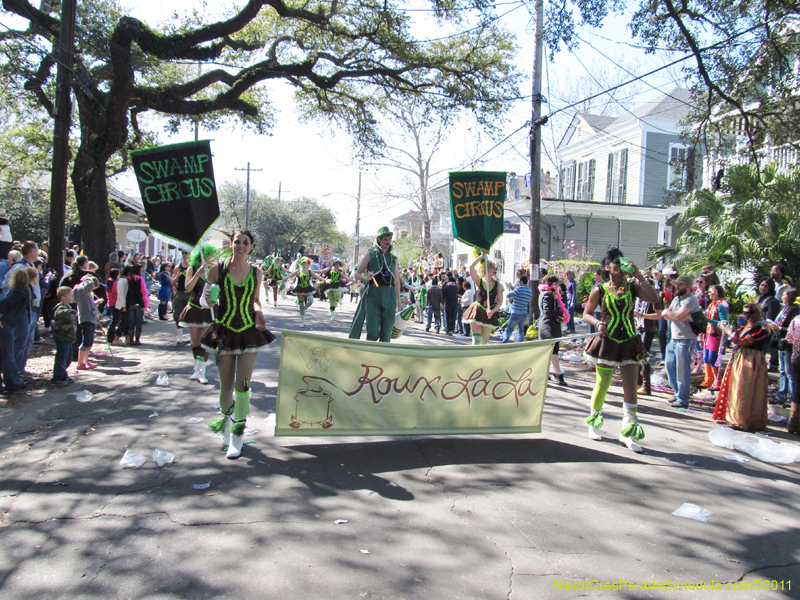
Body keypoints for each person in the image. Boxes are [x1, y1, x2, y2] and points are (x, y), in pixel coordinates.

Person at [202, 229, 275, 459]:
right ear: (231, 244)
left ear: (251, 246)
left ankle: (237, 434)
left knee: (242, 385)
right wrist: (208, 300)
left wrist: (259, 312)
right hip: (223, 332)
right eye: (237, 242)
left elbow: (256, 301)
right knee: (226, 387)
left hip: (248, 332)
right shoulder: (217, 269)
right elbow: (206, 299)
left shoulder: (256, 272)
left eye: (245, 242)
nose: (241, 246)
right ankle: (225, 422)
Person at [582, 248, 659, 452]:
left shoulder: (633, 287)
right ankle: (594, 422)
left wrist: (639, 275)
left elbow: (654, 299)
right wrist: (598, 323)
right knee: (602, 383)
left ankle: (628, 432)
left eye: (623, 262)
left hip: (629, 342)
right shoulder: (600, 289)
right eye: (616, 262)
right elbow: (586, 314)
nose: (621, 265)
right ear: (608, 268)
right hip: (607, 342)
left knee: (631, 386)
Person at [713, 303, 769, 431]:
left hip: (751, 360)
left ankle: (741, 420)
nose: (745, 316)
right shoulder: (748, 326)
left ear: (755, 314)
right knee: (736, 387)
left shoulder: (761, 328)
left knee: (744, 389)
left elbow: (743, 342)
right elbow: (737, 334)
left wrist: (729, 333)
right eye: (744, 313)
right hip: (741, 358)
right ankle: (734, 417)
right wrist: (726, 328)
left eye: (748, 314)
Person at [349, 227, 402, 343]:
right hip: (373, 294)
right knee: (373, 332)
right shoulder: (370, 256)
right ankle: (369, 352)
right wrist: (366, 278)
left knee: (386, 334)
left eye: (389, 239)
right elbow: (356, 274)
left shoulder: (394, 259)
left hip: (389, 295)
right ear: (379, 240)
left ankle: (383, 354)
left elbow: (396, 281)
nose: (388, 242)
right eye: (385, 239)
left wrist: (399, 301)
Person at [179, 244, 218, 383]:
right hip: (194, 309)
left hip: (208, 309)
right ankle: (197, 369)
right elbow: (188, 288)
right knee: (195, 343)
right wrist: (197, 274)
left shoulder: (213, 270)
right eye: (211, 255)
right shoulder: (192, 268)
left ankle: (202, 372)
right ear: (204, 256)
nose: (213, 257)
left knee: (204, 342)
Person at [661, 274, 701, 408]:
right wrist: (671, 314)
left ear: (687, 286)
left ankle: (683, 398)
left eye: (679, 284)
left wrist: (672, 315)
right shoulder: (677, 299)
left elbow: (677, 314)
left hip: (686, 340)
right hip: (674, 338)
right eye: (676, 284)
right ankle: (677, 392)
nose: (676, 287)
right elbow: (667, 314)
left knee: (682, 370)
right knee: (669, 365)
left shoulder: (691, 299)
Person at [462, 251, 503, 345]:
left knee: (484, 341)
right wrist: (481, 256)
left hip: (489, 312)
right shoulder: (479, 281)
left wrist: (493, 311)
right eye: (491, 268)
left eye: (494, 268)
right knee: (477, 340)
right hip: (477, 310)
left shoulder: (498, 285)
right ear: (485, 270)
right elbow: (471, 267)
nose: (494, 270)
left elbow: (500, 301)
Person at [0, 268, 31, 391]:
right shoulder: (22, 291)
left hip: (6, 322)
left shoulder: (13, 290)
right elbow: (3, 303)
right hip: (7, 323)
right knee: (8, 353)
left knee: (4, 353)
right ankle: (12, 382)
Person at [768, 288, 799, 407]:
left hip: (789, 344)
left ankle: (792, 397)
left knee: (790, 372)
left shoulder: (795, 312)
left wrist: (780, 328)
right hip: (780, 341)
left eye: (784, 295)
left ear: (790, 297)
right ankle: (781, 394)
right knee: (783, 371)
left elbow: (794, 330)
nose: (782, 297)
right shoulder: (784, 309)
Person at [538, 274, 569, 385]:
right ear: (550, 284)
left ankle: (545, 373)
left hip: (550, 325)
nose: (557, 286)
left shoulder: (547, 293)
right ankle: (557, 373)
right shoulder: (547, 294)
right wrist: (561, 312)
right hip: (548, 326)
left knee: (550, 351)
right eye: (555, 283)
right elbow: (547, 311)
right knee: (552, 350)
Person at [633, 282, 663, 395]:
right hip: (638, 328)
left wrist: (641, 315)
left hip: (648, 330)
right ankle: (638, 383)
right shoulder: (638, 298)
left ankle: (646, 386)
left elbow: (659, 316)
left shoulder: (654, 298)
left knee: (643, 357)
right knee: (636, 356)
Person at [698, 285, 729, 390]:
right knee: (706, 357)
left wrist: (709, 320)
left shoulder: (721, 305)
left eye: (711, 292)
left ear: (717, 292)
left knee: (712, 359)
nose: (709, 294)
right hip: (708, 333)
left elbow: (724, 322)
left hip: (716, 335)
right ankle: (708, 379)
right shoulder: (712, 304)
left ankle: (717, 381)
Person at [72, 271, 101, 370]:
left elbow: (90, 305)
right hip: (86, 318)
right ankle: (80, 363)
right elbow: (90, 283)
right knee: (86, 341)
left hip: (91, 318)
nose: (92, 289)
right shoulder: (80, 290)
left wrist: (96, 303)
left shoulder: (87, 293)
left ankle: (85, 360)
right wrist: (86, 277)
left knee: (89, 342)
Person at [285, 256, 322, 327]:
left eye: (307, 263)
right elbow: (290, 276)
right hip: (300, 289)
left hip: (308, 288)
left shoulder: (310, 271)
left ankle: (304, 309)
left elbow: (317, 277)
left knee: (311, 300)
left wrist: (325, 280)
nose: (305, 264)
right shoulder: (298, 271)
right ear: (301, 263)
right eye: (304, 263)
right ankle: (303, 322)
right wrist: (283, 279)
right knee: (301, 304)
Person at [51, 286, 77, 386]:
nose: (72, 297)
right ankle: (57, 378)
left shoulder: (69, 307)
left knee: (68, 358)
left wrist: (73, 337)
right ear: (63, 298)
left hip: (68, 337)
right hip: (62, 337)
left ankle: (63, 375)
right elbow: (60, 314)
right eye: (70, 295)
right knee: (61, 358)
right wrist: (72, 312)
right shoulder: (61, 308)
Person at [757, 276, 781, 372]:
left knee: (760, 355)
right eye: (762, 285)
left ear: (770, 288)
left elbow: (770, 319)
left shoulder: (772, 301)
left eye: (766, 286)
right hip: (756, 329)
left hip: (765, 331)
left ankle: (771, 365)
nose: (763, 288)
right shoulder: (759, 298)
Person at [783, 310, 800, 435]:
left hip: (796, 357)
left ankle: (793, 422)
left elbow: (789, 338)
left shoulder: (796, 319)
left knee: (797, 388)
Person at [502, 275, 531, 344]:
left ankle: (504, 342)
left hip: (516, 312)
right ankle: (520, 343)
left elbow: (508, 295)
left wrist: (509, 289)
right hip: (524, 312)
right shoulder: (529, 291)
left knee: (509, 329)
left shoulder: (518, 289)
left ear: (521, 281)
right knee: (521, 330)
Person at [171, 251, 190, 345]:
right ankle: (179, 337)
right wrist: (177, 276)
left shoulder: (193, 267)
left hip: (191, 293)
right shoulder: (178, 267)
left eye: (186, 253)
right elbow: (172, 283)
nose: (184, 255)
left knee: (192, 314)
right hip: (180, 292)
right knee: (177, 314)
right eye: (183, 253)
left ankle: (193, 336)